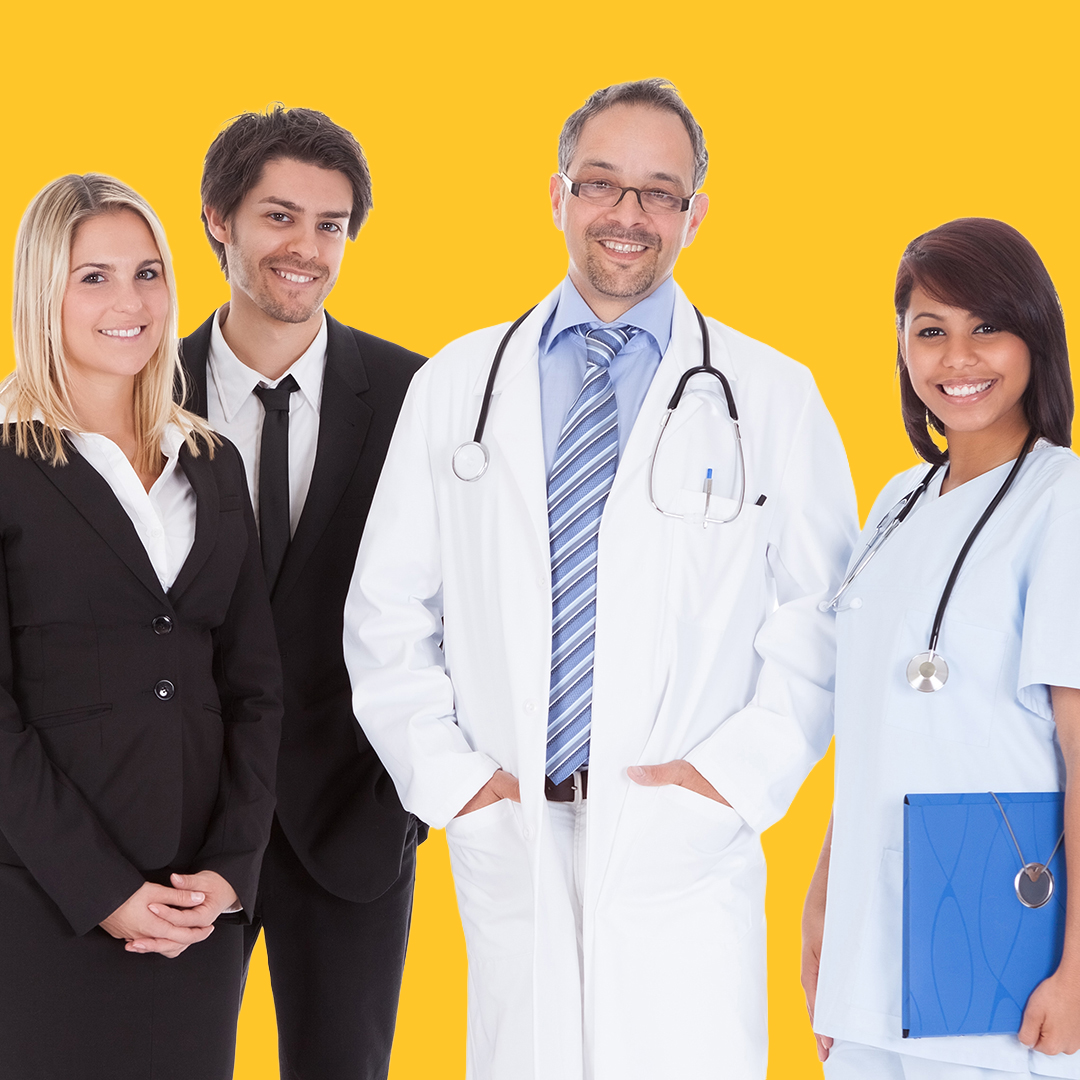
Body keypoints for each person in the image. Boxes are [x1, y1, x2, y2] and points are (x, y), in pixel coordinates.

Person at [343, 78, 858, 1079]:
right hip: (514, 831)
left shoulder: (772, 396)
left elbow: (825, 620)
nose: (628, 214)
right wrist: (459, 788)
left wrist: (725, 785)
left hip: (683, 848)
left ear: (695, 214)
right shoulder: (458, 383)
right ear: (558, 196)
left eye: (659, 192)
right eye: (602, 184)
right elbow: (386, 614)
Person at [0, 173, 282, 1079]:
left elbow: (253, 689)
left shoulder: (211, 462)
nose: (131, 302)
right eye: (94, 277)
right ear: (45, 291)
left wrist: (231, 869)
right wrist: (103, 890)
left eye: (148, 273)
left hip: (195, 912)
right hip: (44, 905)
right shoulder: (8, 463)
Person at [179, 106, 425, 1080]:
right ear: (218, 220)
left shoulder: (415, 394)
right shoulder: (138, 391)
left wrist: (414, 793)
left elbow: (464, 603)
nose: (308, 248)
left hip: (352, 822)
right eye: (281, 216)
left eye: (331, 225)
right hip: (175, 825)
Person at [803, 218, 1080, 1078]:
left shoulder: (1061, 502)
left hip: (995, 948)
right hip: (866, 944)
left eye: (986, 327)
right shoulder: (896, 502)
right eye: (931, 332)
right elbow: (879, 727)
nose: (957, 359)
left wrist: (1077, 967)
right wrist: (820, 901)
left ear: (1035, 335)